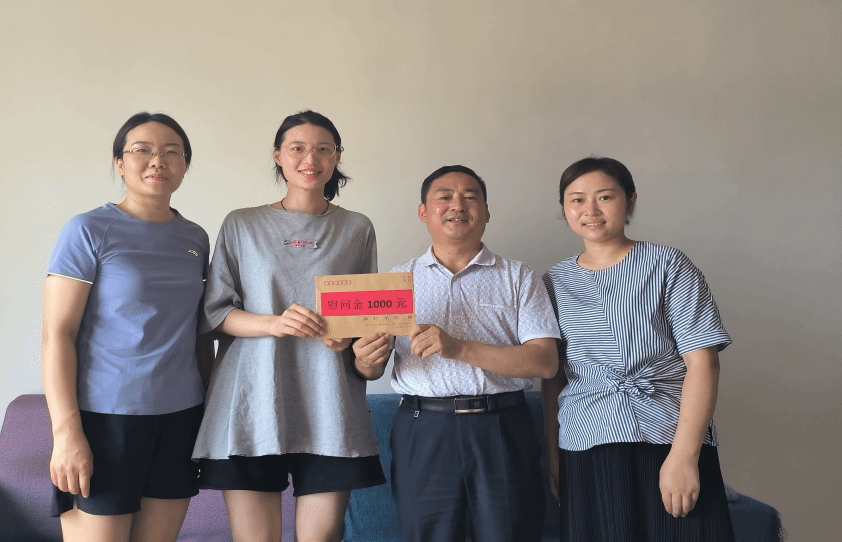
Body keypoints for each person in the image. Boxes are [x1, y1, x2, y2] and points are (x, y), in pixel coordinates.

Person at [192, 110, 390, 542]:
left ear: (337, 157)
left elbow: (366, 321)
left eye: (323, 149)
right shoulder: (241, 223)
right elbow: (215, 314)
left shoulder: (357, 227)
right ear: (278, 156)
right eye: (297, 148)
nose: (310, 159)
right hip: (250, 401)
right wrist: (274, 322)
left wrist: (351, 339)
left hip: (330, 403)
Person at [541, 156, 735, 542]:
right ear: (564, 208)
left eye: (605, 197)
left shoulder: (668, 264)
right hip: (586, 441)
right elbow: (553, 378)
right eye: (577, 199)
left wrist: (684, 457)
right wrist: (554, 457)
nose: (590, 210)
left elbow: (704, 363)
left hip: (668, 436)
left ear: (630, 201)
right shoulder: (553, 281)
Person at [41, 112, 213, 542]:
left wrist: (210, 413)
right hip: (104, 420)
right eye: (142, 150)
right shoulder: (87, 230)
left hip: (181, 418)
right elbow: (57, 335)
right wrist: (66, 432)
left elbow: (199, 334)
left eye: (172, 152)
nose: (158, 160)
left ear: (185, 166)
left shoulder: (195, 237)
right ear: (120, 162)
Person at [389, 165, 561, 542]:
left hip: (502, 426)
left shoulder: (519, 277)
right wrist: (362, 355)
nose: (458, 205)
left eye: (470, 196)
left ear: (486, 211)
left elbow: (545, 362)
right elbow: (369, 368)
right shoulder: (396, 283)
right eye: (444, 197)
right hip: (424, 427)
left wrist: (457, 347)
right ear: (423, 212)